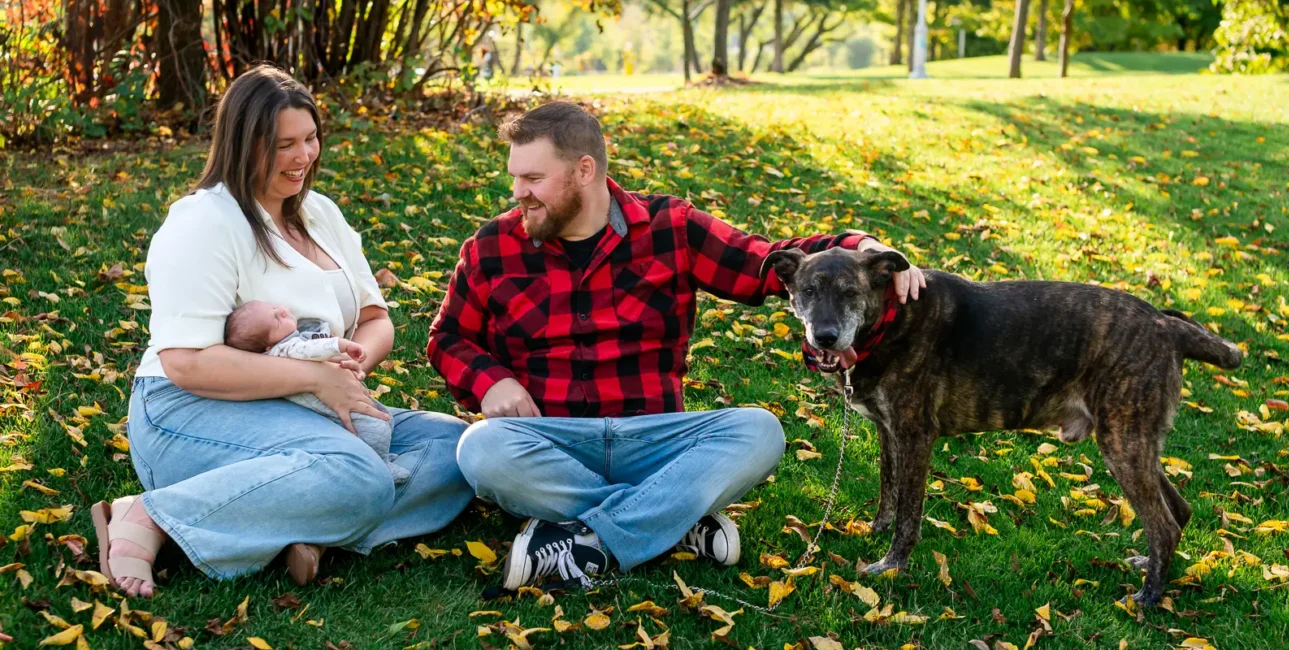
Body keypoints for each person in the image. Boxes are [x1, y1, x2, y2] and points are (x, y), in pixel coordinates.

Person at [427, 101, 925, 590]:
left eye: (532, 179)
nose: (518, 193)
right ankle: (673, 519)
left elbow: (763, 262)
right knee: (481, 450)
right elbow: (447, 337)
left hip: (657, 441)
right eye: (516, 178)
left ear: (584, 170)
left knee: (760, 432)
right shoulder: (491, 247)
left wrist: (862, 246)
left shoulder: (670, 227)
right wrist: (491, 381)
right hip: (549, 441)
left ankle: (595, 535)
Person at [90, 65, 474, 599]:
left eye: (311, 138)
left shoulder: (321, 213)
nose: (303, 156)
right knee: (359, 475)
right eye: (283, 144)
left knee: (458, 447)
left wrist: (349, 368)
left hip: (308, 406)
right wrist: (315, 380)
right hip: (189, 408)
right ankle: (151, 514)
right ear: (243, 143)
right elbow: (187, 362)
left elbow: (374, 318)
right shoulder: (205, 222)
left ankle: (305, 524)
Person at [223, 300, 408, 484]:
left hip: (333, 396)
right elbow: (313, 349)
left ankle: (379, 455)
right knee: (375, 425)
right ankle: (381, 467)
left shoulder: (281, 347)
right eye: (276, 320)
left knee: (381, 420)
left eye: (274, 308)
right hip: (328, 404)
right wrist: (341, 345)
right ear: (268, 347)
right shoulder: (287, 349)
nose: (282, 311)